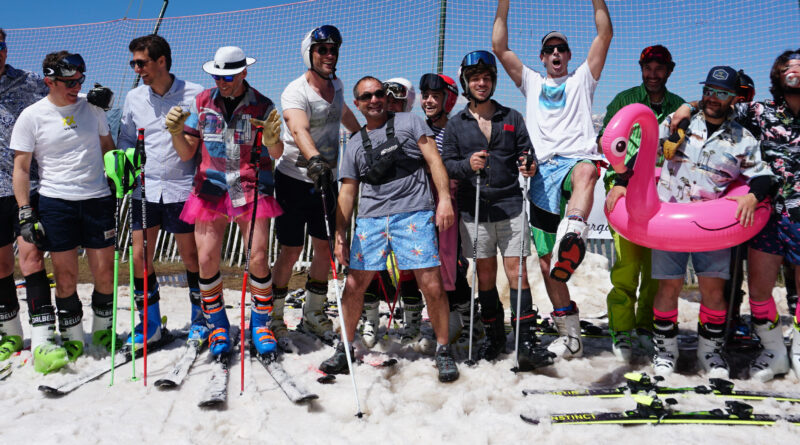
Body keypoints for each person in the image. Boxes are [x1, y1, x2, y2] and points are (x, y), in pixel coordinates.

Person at [608, 66, 773, 379]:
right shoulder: (678, 124)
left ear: (734, 98)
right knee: (667, 287)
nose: (714, 98)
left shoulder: (743, 139)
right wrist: (621, 181)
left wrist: (753, 196)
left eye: (722, 93)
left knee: (713, 291)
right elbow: (643, 154)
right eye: (710, 90)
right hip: (668, 221)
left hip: (712, 228)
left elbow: (762, 174)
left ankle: (709, 353)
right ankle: (665, 352)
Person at [492, 0, 613, 359]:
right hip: (541, 172)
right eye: (549, 49)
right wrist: (503, 5)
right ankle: (569, 333)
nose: (556, 53)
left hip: (575, 161)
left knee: (588, 169)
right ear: (542, 58)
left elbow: (604, 33)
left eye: (561, 48)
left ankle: (575, 228)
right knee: (548, 264)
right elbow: (499, 47)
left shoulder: (582, 79)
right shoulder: (530, 81)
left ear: (569, 55)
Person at [670, 51, 800, 380]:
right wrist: (686, 107)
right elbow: (716, 102)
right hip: (767, 212)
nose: (795, 70)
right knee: (759, 290)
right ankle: (774, 353)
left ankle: (797, 348)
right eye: (789, 65)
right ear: (778, 74)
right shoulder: (759, 111)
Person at [319, 76, 458, 382]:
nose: (374, 100)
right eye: (366, 96)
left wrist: (444, 199)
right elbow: (347, 192)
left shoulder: (410, 122)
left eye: (379, 93)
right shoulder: (354, 143)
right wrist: (340, 232)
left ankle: (443, 349)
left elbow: (434, 161)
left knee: (431, 285)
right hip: (371, 219)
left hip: (413, 214)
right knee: (354, 285)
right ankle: (345, 348)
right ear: (357, 104)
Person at [165, 46, 283, 356]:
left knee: (257, 257)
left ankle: (260, 324)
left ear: (244, 72)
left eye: (228, 76)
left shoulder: (263, 104)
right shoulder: (202, 102)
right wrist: (177, 132)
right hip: (210, 187)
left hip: (251, 186)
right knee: (206, 260)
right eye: (217, 76)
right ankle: (216, 324)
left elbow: (278, 151)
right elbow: (186, 151)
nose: (222, 82)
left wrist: (272, 142)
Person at [12, 51, 117, 373]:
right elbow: (21, 167)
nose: (76, 86)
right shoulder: (32, 115)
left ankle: (103, 331)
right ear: (50, 80)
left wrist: (118, 170)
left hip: (97, 197)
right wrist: (26, 211)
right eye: (69, 81)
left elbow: (107, 147)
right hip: (56, 201)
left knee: (104, 272)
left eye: (80, 80)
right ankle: (72, 335)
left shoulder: (93, 106)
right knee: (66, 275)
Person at [441, 51, 545, 369]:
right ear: (466, 82)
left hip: (510, 205)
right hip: (475, 211)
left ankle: (525, 341)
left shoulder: (511, 117)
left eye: (486, 77)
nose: (482, 83)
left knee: (517, 272)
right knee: (485, 274)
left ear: (493, 81)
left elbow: (526, 151)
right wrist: (466, 164)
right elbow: (447, 164)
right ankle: (495, 336)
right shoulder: (456, 125)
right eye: (475, 78)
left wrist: (528, 163)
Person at [271, 25, 360, 347]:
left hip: (327, 180)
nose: (329, 55)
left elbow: (343, 113)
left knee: (325, 248)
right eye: (322, 49)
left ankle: (313, 312)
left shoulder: (336, 84)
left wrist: (365, 137)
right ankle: (275, 316)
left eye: (334, 49)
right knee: (291, 249)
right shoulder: (295, 91)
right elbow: (298, 128)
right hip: (295, 179)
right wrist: (314, 159)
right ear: (308, 53)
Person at [598, 45, 685, 361]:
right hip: (624, 194)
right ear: (641, 69)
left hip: (662, 196)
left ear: (670, 70)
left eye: (659, 68)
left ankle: (646, 328)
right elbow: (604, 141)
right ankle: (621, 331)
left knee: (655, 269)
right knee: (626, 265)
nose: (653, 74)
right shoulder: (624, 100)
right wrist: (621, 177)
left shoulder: (679, 107)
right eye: (648, 67)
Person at [118, 34, 204, 348]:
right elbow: (126, 138)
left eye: (141, 62)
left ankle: (201, 319)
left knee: (192, 257)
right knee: (139, 257)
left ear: (162, 61)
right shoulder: (134, 98)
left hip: (183, 187)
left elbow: (201, 142)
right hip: (145, 189)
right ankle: (151, 324)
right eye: (133, 62)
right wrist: (125, 160)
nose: (136, 68)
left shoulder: (195, 94)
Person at [419, 73, 482, 354]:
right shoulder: (420, 127)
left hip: (453, 205)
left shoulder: (456, 129)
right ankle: (448, 317)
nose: (428, 101)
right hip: (425, 206)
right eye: (425, 95)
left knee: (454, 264)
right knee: (432, 265)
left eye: (435, 96)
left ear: (449, 99)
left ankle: (469, 321)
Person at [0, 28, 50, 363]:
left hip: (27, 186)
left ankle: (45, 336)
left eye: (1, 46)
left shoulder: (30, 81)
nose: (0, 52)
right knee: (1, 265)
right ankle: (10, 335)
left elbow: (60, 104)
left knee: (31, 257)